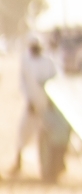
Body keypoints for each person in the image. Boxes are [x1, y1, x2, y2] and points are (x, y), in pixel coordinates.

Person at [8, 34, 57, 176]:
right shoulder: (25, 60)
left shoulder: (49, 61)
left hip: (47, 107)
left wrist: (51, 102)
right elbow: (23, 83)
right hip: (32, 106)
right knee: (23, 132)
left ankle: (54, 166)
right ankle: (18, 162)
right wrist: (29, 100)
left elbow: (55, 81)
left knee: (51, 137)